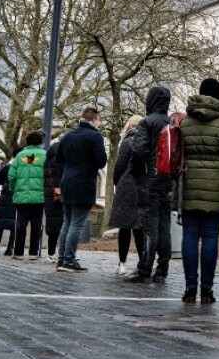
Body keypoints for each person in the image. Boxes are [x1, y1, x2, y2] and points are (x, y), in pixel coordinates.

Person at [178, 78, 219, 304]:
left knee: (190, 236)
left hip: (190, 184)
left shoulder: (185, 123)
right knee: (211, 236)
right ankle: (207, 290)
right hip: (216, 186)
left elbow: (179, 154)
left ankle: (189, 288)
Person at [127, 87, 174, 284]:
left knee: (150, 225)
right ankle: (162, 269)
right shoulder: (172, 123)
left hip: (150, 180)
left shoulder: (147, 123)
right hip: (168, 180)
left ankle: (144, 268)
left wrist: (137, 172)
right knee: (165, 225)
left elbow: (138, 152)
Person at [54, 108, 108, 273]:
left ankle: (61, 259)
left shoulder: (67, 136)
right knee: (76, 224)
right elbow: (101, 161)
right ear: (94, 119)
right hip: (84, 183)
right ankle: (69, 260)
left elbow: (59, 159)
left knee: (67, 223)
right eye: (98, 120)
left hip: (67, 182)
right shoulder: (95, 136)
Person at [109, 115, 146, 276]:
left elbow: (120, 166)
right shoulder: (147, 142)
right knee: (139, 227)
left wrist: (117, 181)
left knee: (124, 227)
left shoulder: (127, 141)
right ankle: (142, 262)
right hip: (142, 186)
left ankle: (122, 263)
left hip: (127, 186)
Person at [9, 132, 47, 260]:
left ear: (27, 142)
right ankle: (33, 253)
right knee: (36, 225)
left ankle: (19, 252)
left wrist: (13, 189)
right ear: (40, 142)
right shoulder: (44, 155)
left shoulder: (19, 156)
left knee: (20, 224)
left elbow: (12, 176)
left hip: (22, 196)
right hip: (39, 196)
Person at [0, 149, 19, 256]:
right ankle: (10, 248)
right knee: (14, 224)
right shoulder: (22, 166)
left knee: (0, 223)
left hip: (5, 196)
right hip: (17, 196)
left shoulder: (7, 167)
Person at [43, 135, 66, 263]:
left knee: (53, 222)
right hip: (58, 193)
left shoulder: (49, 157)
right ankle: (54, 252)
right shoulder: (61, 157)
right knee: (59, 223)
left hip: (49, 192)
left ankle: (52, 252)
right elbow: (60, 175)